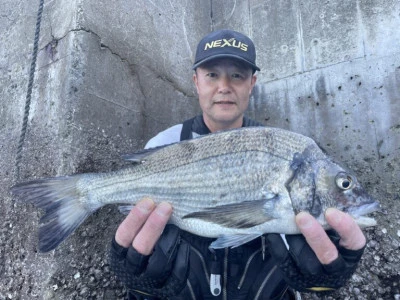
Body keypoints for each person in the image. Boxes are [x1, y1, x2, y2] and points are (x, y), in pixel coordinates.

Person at [109, 29, 367, 300]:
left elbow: (312, 245)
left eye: (237, 75)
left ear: (251, 83)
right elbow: (138, 230)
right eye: (211, 75)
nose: (224, 86)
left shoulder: (283, 147)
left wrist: (326, 275)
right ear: (195, 81)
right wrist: (140, 287)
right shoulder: (163, 144)